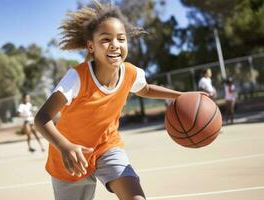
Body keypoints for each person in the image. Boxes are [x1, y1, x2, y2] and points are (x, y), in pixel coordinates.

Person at [34, 1, 195, 199]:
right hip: (70, 155)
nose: (115, 45)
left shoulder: (129, 72)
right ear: (91, 46)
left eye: (121, 39)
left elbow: (145, 89)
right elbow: (41, 117)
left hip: (107, 147)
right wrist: (64, 146)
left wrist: (181, 96)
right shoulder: (77, 77)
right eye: (106, 39)